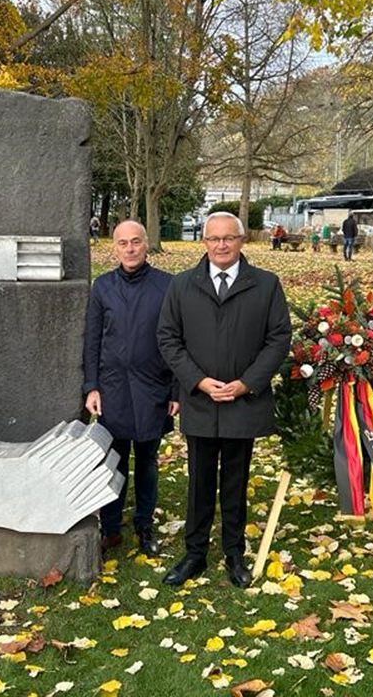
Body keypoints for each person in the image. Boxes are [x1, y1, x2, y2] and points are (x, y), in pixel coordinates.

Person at [156, 212, 291, 588]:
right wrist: (197, 381)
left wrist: (247, 383)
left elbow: (278, 338)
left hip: (242, 403)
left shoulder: (265, 285)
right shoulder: (182, 286)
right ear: (203, 241)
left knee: (236, 479)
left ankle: (234, 552)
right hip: (201, 401)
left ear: (242, 240)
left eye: (228, 238)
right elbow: (168, 338)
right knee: (198, 482)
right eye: (213, 239)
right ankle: (195, 553)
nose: (221, 245)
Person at [83, 220, 178, 557]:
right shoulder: (103, 287)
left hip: (154, 387)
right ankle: (110, 527)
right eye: (122, 243)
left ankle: (144, 524)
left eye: (135, 241)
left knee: (148, 460)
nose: (130, 248)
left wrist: (176, 392)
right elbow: (93, 340)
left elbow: (178, 342)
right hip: (112, 388)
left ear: (146, 243)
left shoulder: (168, 286)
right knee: (113, 459)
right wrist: (91, 387)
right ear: (114, 247)